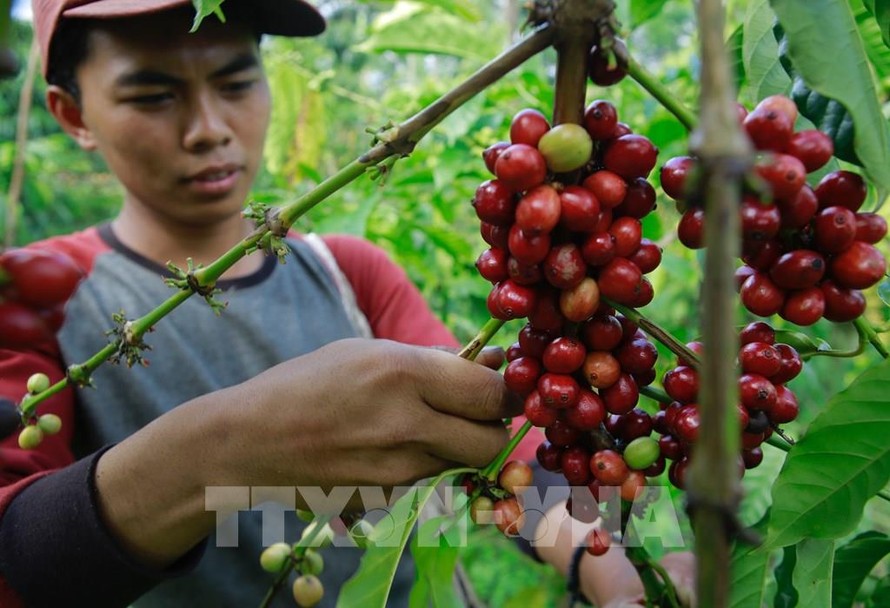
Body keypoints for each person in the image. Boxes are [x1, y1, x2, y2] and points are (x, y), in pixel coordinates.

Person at [0, 1, 694, 606]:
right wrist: (218, 453)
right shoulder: (38, 295)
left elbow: (502, 445)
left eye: (236, 81)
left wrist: (604, 563)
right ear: (71, 113)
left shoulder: (347, 272)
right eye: (153, 96)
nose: (207, 127)